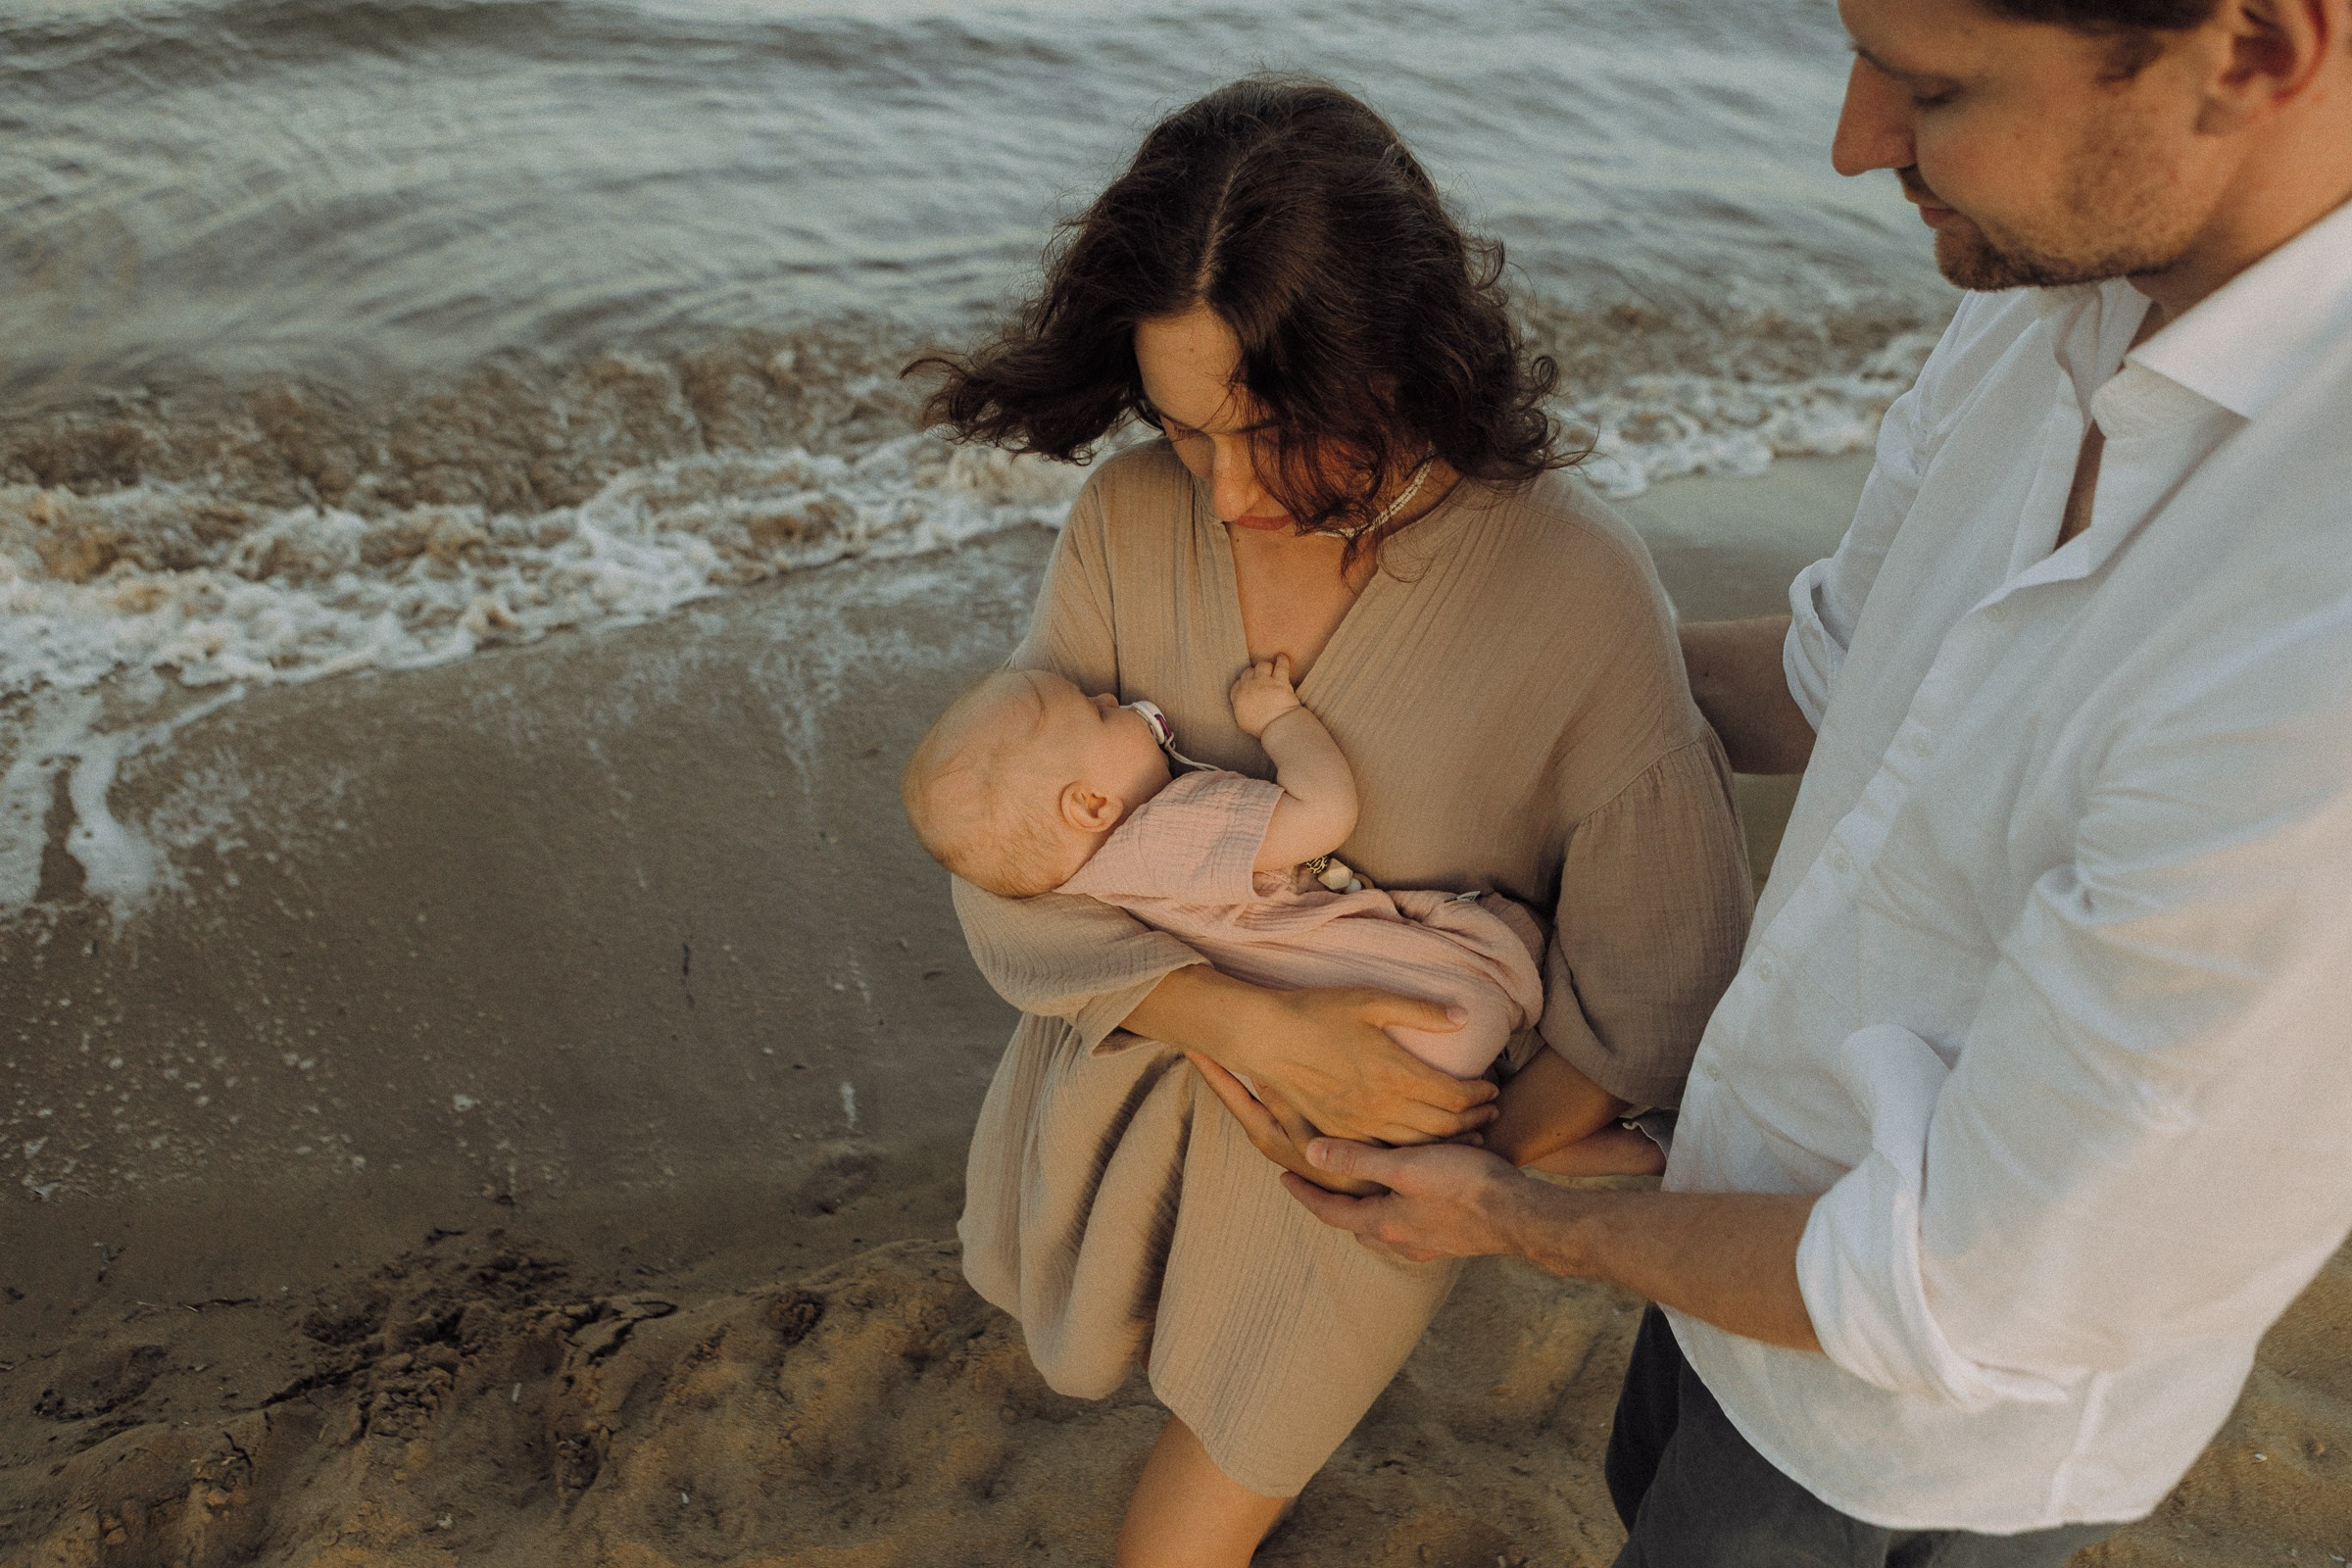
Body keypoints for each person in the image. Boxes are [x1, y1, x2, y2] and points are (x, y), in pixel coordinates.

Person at [1268, 0, 2352, 1563]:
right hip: (1723, 1207)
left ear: (2254, 51)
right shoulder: (2055, 278)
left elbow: (1957, 1290)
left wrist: (1519, 1219)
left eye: (1928, 87)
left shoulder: (2307, 668)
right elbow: (1834, 673)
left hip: (1906, 1432)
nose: (1853, 143)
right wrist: (1410, 672)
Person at [908, 76, 1752, 1567]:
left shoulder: (1574, 588)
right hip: (1159, 1055)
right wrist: (1240, 1025)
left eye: (1271, 433)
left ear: (1402, 364)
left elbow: (1662, 962)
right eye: (1182, 432)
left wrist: (1455, 1157)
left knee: (1214, 1479)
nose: (1224, 494)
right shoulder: (1122, 523)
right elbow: (1008, 861)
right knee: (1138, 1354)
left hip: (1391, 1142)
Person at [900, 658, 1659, 1160]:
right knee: (1510, 947)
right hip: (1431, 1006)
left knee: (1467, 1130)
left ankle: (1629, 1148)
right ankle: (1636, 1120)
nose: (1108, 695)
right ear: (1092, 804)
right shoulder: (1171, 824)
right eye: (1097, 714)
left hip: (1343, 1086)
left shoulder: (1089, 888)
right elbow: (1324, 811)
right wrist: (1279, 721)